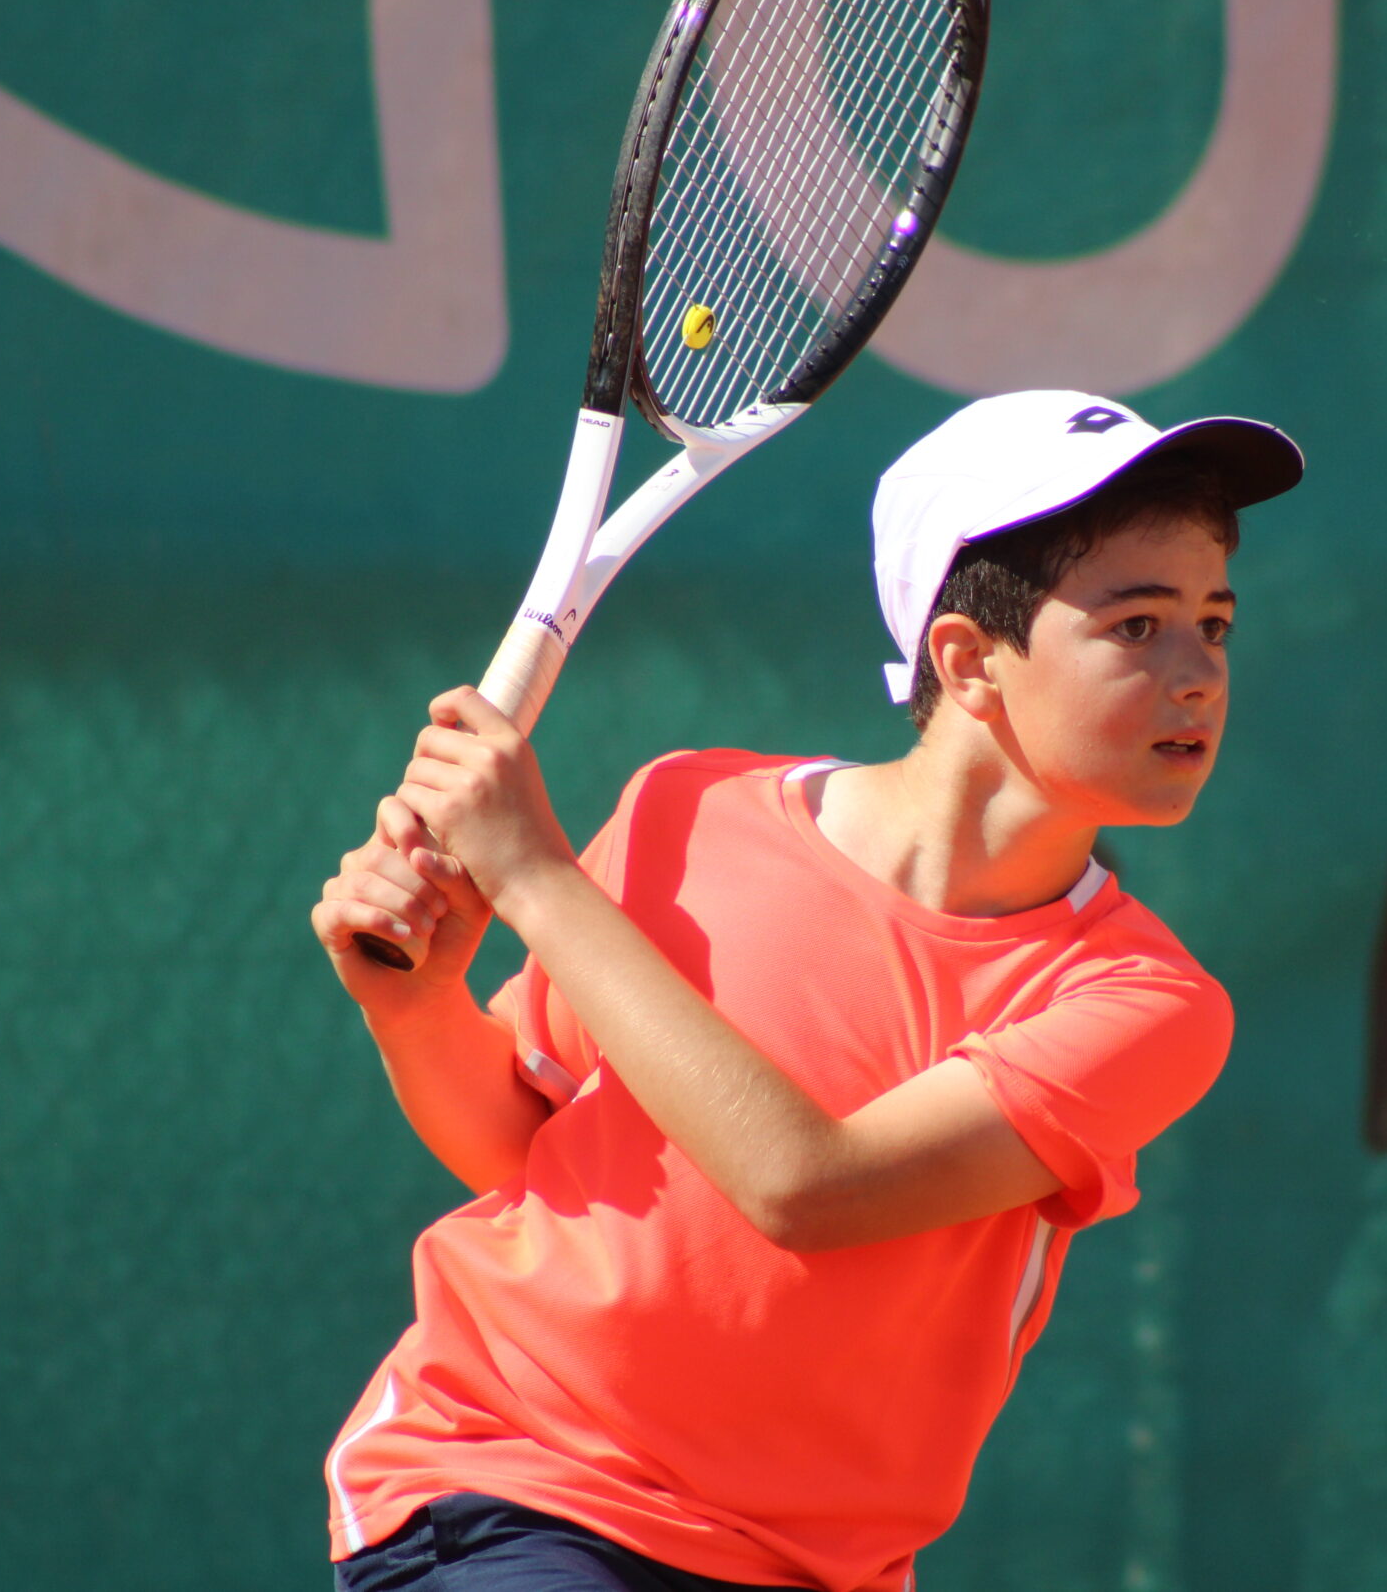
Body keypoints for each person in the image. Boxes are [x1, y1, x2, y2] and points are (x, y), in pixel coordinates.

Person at [309, 389, 1302, 1592]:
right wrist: (413, 1009)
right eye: (1137, 627)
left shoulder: (1147, 1003)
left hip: (818, 1567)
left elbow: (809, 1188)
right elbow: (531, 1158)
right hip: (515, 1479)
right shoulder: (691, 809)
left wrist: (535, 881)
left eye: (1215, 622)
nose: (1199, 674)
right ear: (968, 660)